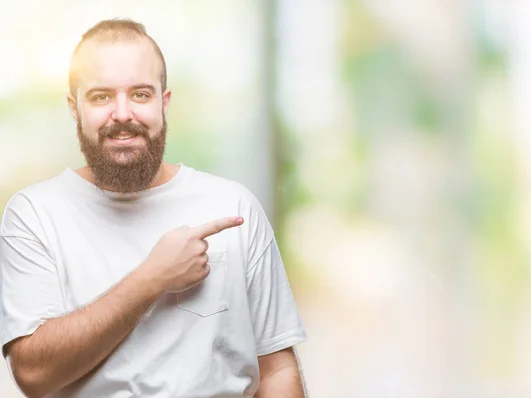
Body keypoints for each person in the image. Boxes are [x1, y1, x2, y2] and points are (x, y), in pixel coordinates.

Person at [0, 18, 307, 398]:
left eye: (141, 94)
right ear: (74, 107)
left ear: (164, 102)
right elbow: (33, 374)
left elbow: (275, 370)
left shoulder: (233, 206)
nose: (123, 113)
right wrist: (152, 278)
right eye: (101, 97)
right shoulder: (34, 214)